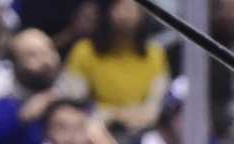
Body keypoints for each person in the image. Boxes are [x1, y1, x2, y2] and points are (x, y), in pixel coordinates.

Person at [64, 0, 170, 132]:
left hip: (144, 130)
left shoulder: (155, 53)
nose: (125, 14)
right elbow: (73, 100)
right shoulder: (84, 51)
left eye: (131, 8)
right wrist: (110, 115)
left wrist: (120, 115)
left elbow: (155, 105)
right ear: (106, 12)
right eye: (119, 7)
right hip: (96, 128)